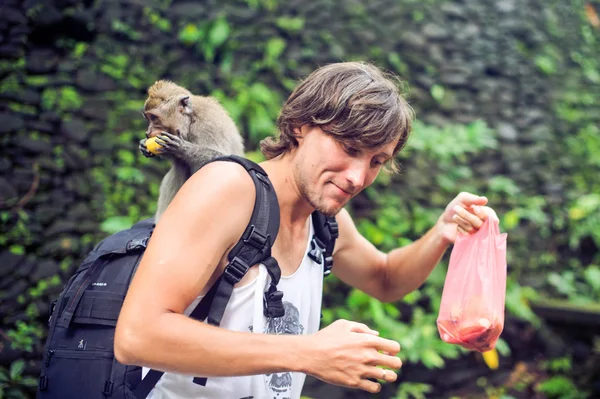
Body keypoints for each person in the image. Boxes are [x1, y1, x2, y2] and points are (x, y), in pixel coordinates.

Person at [114, 61, 492, 399]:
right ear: (299, 125)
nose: (359, 177)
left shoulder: (324, 221)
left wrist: (443, 231)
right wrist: (309, 353)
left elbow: (386, 278)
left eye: (377, 160)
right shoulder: (228, 189)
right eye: (348, 147)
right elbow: (138, 336)